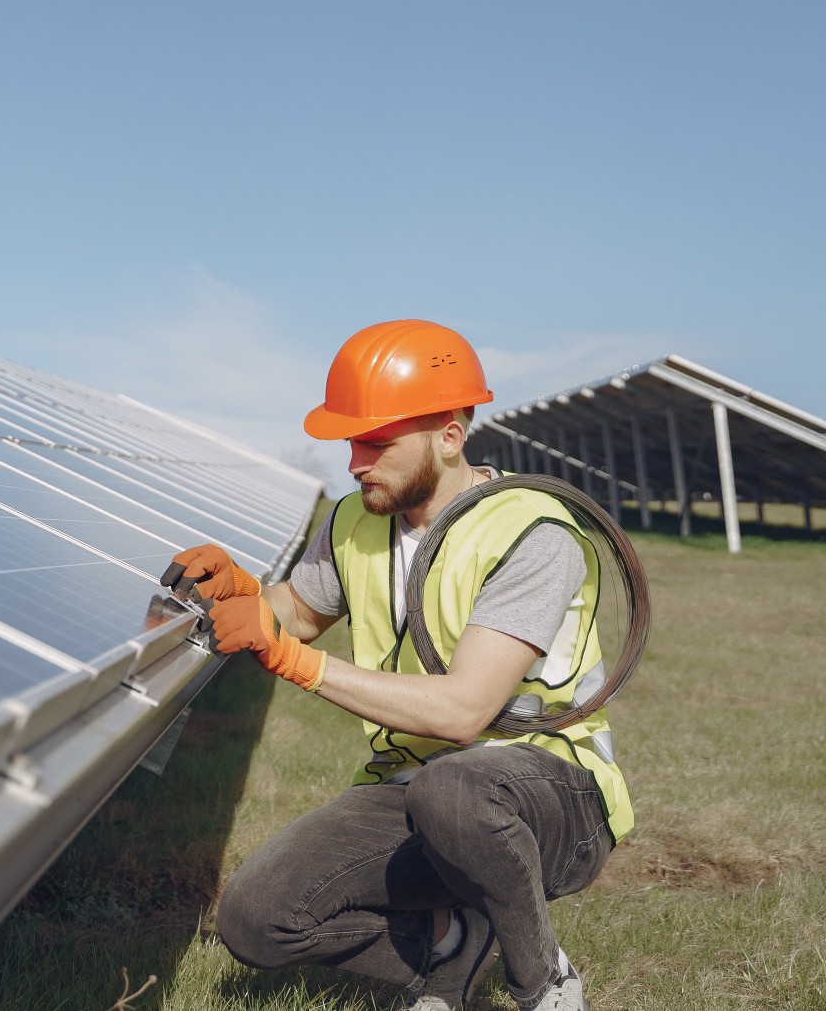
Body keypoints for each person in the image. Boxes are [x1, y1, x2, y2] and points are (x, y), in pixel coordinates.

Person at [164, 320, 631, 1011]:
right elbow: (296, 609)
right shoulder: (356, 519)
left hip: (550, 791)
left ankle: (543, 981)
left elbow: (465, 710)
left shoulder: (532, 531)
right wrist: (245, 590)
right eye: (351, 441)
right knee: (256, 919)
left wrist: (297, 662)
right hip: (409, 785)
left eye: (376, 442)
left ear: (449, 433)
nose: (355, 460)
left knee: (455, 790)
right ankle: (446, 946)